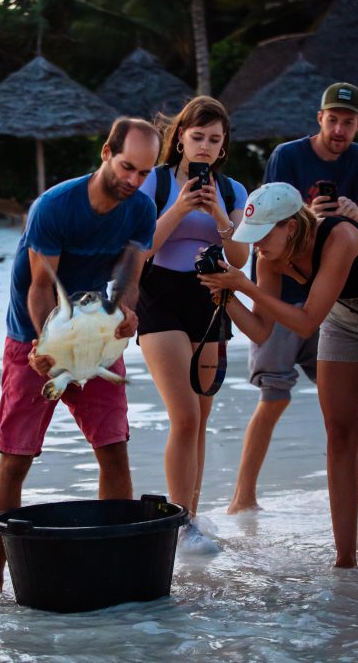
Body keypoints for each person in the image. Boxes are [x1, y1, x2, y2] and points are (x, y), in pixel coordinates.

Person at [200, 182, 358, 567]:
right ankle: (344, 560)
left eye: (263, 235)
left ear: (291, 226)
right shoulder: (268, 257)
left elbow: (306, 323)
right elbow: (261, 331)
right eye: (252, 236)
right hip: (341, 316)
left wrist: (243, 285)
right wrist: (226, 295)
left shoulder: (341, 236)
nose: (256, 246)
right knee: (339, 431)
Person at [0, 117, 160, 592]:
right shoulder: (55, 206)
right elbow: (40, 287)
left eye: (145, 172)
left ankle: (115, 571)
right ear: (106, 153)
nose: (134, 180)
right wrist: (46, 346)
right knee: (16, 457)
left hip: (97, 335)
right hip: (33, 334)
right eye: (127, 167)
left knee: (114, 450)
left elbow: (129, 278)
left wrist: (126, 311)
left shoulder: (142, 209)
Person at [228, 82, 358, 515]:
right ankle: (242, 496)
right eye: (332, 120)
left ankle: (357, 494)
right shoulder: (287, 156)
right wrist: (308, 221)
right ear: (319, 118)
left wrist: (355, 214)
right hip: (282, 285)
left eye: (347, 122)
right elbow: (269, 216)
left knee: (348, 403)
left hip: (329, 296)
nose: (339, 129)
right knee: (273, 396)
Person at [135, 96, 248, 548]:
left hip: (210, 296)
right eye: (197, 136)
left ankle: (191, 520)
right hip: (159, 296)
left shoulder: (234, 191)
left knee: (200, 417)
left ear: (223, 147)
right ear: (180, 137)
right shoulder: (157, 182)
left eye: (214, 140)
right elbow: (142, 247)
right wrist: (181, 208)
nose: (205, 146)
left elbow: (240, 257)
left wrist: (219, 214)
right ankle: (179, 524)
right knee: (183, 415)